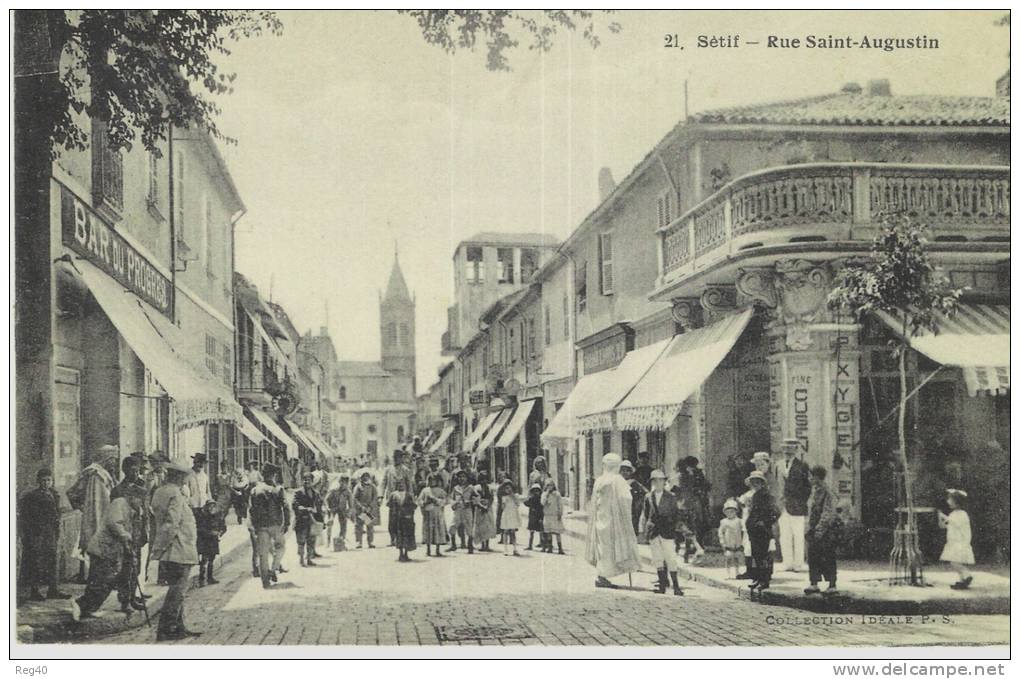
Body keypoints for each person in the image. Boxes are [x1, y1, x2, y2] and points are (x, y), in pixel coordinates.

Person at [72, 483, 148, 620]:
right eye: (139, 499)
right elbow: (114, 523)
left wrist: (130, 545)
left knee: (107, 583)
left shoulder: (134, 510)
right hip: (102, 549)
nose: (141, 503)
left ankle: (87, 608)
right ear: (131, 497)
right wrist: (126, 536)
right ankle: (81, 604)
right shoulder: (119, 503)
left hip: (113, 552)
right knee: (100, 582)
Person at [148, 461, 201, 641]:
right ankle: (167, 629)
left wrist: (159, 548)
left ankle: (178, 627)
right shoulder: (175, 494)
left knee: (176, 590)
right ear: (178, 477)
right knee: (177, 591)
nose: (186, 480)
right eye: (184, 477)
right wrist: (162, 546)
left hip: (171, 549)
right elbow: (171, 523)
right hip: (179, 548)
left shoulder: (160, 492)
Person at [585, 453, 642, 589]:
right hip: (613, 521)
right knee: (612, 549)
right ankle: (602, 576)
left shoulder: (599, 480)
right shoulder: (617, 480)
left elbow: (594, 501)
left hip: (600, 520)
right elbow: (626, 499)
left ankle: (602, 575)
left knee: (603, 549)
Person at [67, 444, 119, 582]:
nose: (114, 463)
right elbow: (73, 493)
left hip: (102, 514)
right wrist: (83, 507)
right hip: (96, 515)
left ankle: (93, 576)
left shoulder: (104, 474)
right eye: (112, 459)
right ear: (105, 459)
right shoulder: (95, 474)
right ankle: (91, 576)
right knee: (93, 544)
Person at [18, 469, 71, 601]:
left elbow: (56, 512)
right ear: (38, 481)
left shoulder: (54, 494)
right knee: (36, 561)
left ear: (52, 481)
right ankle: (34, 591)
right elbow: (27, 516)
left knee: (52, 560)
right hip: (38, 533)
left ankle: (53, 590)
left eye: (49, 480)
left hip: (51, 532)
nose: (46, 483)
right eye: (43, 480)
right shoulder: (32, 496)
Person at [638, 470, 683, 596]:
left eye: (661, 480)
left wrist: (673, 527)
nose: (658, 483)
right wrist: (644, 529)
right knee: (657, 558)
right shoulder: (648, 496)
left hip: (667, 530)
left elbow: (676, 514)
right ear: (652, 482)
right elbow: (646, 514)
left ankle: (676, 587)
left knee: (670, 558)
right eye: (655, 481)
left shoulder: (671, 497)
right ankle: (662, 585)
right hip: (653, 531)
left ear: (664, 482)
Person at [249, 463, 291, 587]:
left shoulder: (255, 490)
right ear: (274, 475)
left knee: (263, 554)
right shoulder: (278, 489)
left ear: (262, 474)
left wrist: (254, 526)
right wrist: (287, 523)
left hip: (261, 526)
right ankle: (273, 569)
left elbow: (251, 510)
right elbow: (286, 507)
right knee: (281, 547)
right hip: (275, 524)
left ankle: (265, 582)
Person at [774, 438, 811, 572]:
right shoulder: (778, 465)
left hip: (797, 506)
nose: (787, 452)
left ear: (796, 450)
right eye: (785, 449)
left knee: (798, 535)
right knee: (784, 535)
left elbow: (807, 488)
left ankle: (799, 564)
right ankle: (787, 562)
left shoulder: (802, 466)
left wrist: (799, 500)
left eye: (790, 449)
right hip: (782, 506)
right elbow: (777, 484)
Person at [803, 466, 840, 596]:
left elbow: (828, 513)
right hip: (814, 528)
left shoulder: (827, 492)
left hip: (825, 530)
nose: (809, 479)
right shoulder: (814, 491)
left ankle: (832, 585)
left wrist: (820, 529)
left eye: (811, 476)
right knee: (813, 556)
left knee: (828, 556)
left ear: (818, 477)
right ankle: (814, 583)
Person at [745, 470, 779, 592]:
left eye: (757, 482)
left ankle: (764, 580)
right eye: (753, 482)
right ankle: (758, 578)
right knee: (756, 556)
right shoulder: (755, 496)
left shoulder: (767, 497)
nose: (755, 485)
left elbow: (775, 512)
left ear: (762, 483)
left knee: (763, 556)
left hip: (762, 531)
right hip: (754, 530)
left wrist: (765, 522)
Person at [938, 489, 975, 590]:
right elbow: (946, 526)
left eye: (951, 500)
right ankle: (962, 580)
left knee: (955, 562)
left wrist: (944, 517)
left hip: (960, 542)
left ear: (957, 502)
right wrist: (940, 520)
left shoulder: (962, 514)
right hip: (953, 541)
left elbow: (955, 523)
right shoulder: (953, 514)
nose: (949, 503)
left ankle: (967, 575)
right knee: (955, 561)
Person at [382, 450, 415, 545]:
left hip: (403, 499)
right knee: (392, 520)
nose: (395, 459)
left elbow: (410, 485)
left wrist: (411, 499)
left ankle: (401, 539)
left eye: (398, 457)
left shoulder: (406, 470)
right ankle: (393, 538)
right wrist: (380, 496)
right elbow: (383, 483)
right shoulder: (388, 469)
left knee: (402, 519)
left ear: (401, 458)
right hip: (392, 499)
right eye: (394, 457)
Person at [293, 471, 325, 567]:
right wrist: (306, 509)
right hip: (301, 520)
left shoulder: (316, 493)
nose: (307, 482)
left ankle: (309, 559)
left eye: (309, 480)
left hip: (312, 521)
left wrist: (322, 520)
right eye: (305, 480)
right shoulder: (298, 492)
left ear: (312, 481)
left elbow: (319, 507)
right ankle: (302, 559)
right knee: (301, 541)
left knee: (311, 540)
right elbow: (295, 505)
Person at [195, 500, 226, 586]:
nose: (211, 508)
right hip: (204, 540)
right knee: (204, 560)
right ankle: (201, 579)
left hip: (214, 540)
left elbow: (223, 527)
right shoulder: (202, 516)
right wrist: (210, 532)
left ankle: (210, 577)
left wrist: (220, 532)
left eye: (213, 506)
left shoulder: (218, 515)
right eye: (210, 506)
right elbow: (199, 529)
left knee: (212, 559)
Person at [418, 473, 448, 557]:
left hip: (437, 513)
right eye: (430, 480)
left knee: (437, 530)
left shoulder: (440, 490)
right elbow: (419, 500)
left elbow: (445, 501)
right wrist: (424, 502)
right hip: (428, 513)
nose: (432, 482)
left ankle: (437, 550)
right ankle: (428, 550)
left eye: (434, 480)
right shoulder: (425, 490)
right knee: (428, 530)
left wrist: (435, 500)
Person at [388, 479, 418, 562]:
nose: (401, 485)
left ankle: (406, 554)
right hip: (397, 520)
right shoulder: (393, 495)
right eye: (399, 484)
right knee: (399, 537)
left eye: (403, 484)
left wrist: (409, 514)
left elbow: (413, 506)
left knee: (407, 537)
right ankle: (400, 554)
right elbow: (390, 506)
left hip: (407, 520)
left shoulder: (409, 495)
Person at [448, 469, 476, 553]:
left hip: (467, 510)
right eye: (460, 477)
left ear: (467, 478)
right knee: (452, 526)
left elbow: (476, 498)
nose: (462, 479)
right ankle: (453, 545)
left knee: (469, 527)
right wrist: (454, 504)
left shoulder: (471, 488)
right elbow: (451, 498)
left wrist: (470, 502)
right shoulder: (455, 488)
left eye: (463, 477)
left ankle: (470, 546)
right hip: (458, 509)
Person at [718, 498, 746, 579]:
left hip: (737, 542)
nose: (730, 514)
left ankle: (737, 572)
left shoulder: (739, 521)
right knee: (728, 558)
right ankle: (728, 573)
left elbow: (743, 530)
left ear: (736, 512)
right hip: (728, 543)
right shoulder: (723, 522)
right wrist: (722, 542)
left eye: (732, 512)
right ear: (725, 513)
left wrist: (743, 542)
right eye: (728, 512)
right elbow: (720, 532)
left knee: (737, 558)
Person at [326, 473, 353, 551]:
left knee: (343, 525)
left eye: (346, 482)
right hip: (332, 508)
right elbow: (326, 499)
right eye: (342, 482)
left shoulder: (348, 491)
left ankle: (341, 541)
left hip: (342, 509)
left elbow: (351, 504)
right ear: (339, 482)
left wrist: (349, 511)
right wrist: (328, 508)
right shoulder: (333, 489)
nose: (344, 484)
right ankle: (328, 541)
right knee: (330, 524)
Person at [472, 470, 497, 552]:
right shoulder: (476, 488)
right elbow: (475, 499)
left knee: (488, 526)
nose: (484, 481)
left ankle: (487, 545)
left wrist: (487, 506)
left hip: (488, 508)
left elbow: (492, 498)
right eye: (482, 479)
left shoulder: (490, 488)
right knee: (481, 526)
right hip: (479, 508)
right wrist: (481, 506)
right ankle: (482, 545)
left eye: (485, 479)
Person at [620, 460, 647, 536]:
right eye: (623, 470)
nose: (625, 472)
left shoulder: (635, 484)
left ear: (631, 472)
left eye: (627, 471)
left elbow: (644, 493)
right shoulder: (617, 482)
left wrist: (637, 507)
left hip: (632, 511)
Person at [496, 479, 521, 557]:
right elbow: (503, 507)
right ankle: (505, 549)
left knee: (513, 532)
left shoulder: (516, 496)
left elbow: (518, 504)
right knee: (505, 532)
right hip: (506, 515)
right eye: (506, 488)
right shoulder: (504, 497)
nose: (508, 490)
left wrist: (512, 496)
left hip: (513, 515)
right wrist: (503, 502)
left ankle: (515, 548)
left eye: (509, 488)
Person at [353, 471, 379, 549]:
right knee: (359, 526)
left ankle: (370, 542)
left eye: (367, 476)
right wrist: (361, 507)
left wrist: (370, 507)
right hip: (360, 510)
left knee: (370, 526)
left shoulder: (372, 487)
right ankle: (359, 542)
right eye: (363, 477)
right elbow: (354, 498)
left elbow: (375, 497)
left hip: (369, 509)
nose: (365, 478)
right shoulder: (358, 487)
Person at [541, 478, 565, 555]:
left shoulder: (557, 494)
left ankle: (560, 548)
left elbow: (560, 504)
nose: (549, 487)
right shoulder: (544, 494)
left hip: (555, 515)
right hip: (547, 515)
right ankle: (550, 546)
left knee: (557, 532)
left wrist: (560, 513)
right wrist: (546, 495)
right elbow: (542, 503)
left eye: (551, 485)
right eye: (548, 485)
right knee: (549, 532)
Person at [523, 483, 545, 551]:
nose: (536, 492)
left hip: (538, 516)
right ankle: (530, 545)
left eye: (537, 491)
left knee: (540, 532)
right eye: (534, 491)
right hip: (533, 517)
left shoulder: (541, 499)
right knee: (532, 532)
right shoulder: (532, 498)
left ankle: (542, 545)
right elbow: (525, 502)